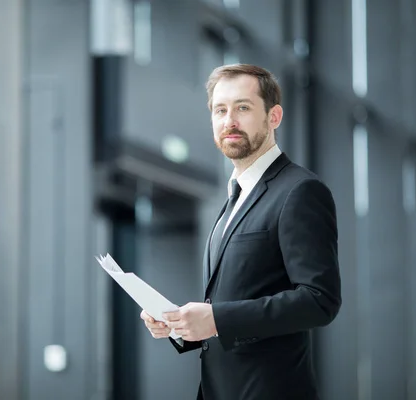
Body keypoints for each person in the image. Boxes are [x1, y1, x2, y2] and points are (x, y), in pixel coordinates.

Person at [140, 64, 342, 400]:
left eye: (243, 108)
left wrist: (217, 319)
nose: (229, 120)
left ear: (273, 117)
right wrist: (183, 325)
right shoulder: (235, 196)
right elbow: (235, 301)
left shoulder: (300, 191)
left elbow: (320, 300)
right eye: (220, 110)